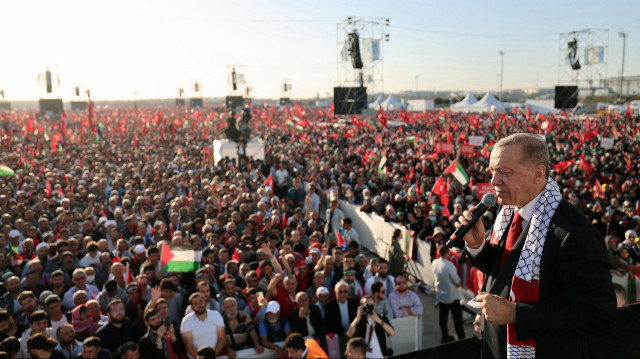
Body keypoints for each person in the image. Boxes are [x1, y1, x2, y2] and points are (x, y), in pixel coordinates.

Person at [458, 133, 617, 357]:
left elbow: (598, 315)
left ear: (538, 173)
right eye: (492, 171)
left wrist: (516, 314)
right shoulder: (509, 212)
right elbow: (504, 273)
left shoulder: (573, 233)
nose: (494, 182)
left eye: (505, 172)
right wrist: (478, 246)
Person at [431, 245, 465, 343]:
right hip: (452, 296)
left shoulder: (434, 262)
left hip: (441, 295)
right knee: (457, 319)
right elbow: (458, 283)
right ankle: (461, 338)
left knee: (443, 318)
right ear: (446, 253)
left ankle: (444, 336)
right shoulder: (450, 266)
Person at [180, 293, 226, 358]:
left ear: (204, 302)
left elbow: (222, 339)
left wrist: (212, 357)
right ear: (191, 307)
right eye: (195, 303)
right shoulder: (186, 321)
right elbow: (189, 347)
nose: (199, 305)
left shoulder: (216, 315)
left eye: (201, 301)